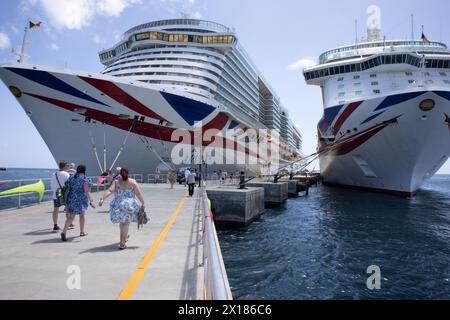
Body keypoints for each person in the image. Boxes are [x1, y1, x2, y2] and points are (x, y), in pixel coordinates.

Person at [99, 168, 145, 250]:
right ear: (128, 173)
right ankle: (122, 243)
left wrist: (102, 198)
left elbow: (110, 190)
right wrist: (143, 202)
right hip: (129, 205)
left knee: (122, 223)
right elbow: (138, 193)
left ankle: (123, 239)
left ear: (120, 174)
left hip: (118, 204)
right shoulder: (132, 182)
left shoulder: (116, 182)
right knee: (126, 223)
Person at [61, 165, 95, 241]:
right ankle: (82, 232)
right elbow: (87, 191)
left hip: (71, 198)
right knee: (82, 216)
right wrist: (91, 201)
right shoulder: (85, 179)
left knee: (71, 217)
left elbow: (67, 186)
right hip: (80, 200)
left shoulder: (72, 177)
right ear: (84, 170)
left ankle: (64, 232)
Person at [50, 161, 70, 232]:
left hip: (56, 195)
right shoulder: (66, 174)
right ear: (64, 166)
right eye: (67, 165)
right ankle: (69, 224)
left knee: (55, 210)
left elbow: (52, 185)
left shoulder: (54, 174)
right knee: (67, 209)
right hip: (65, 195)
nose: (69, 167)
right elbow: (69, 184)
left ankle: (55, 225)